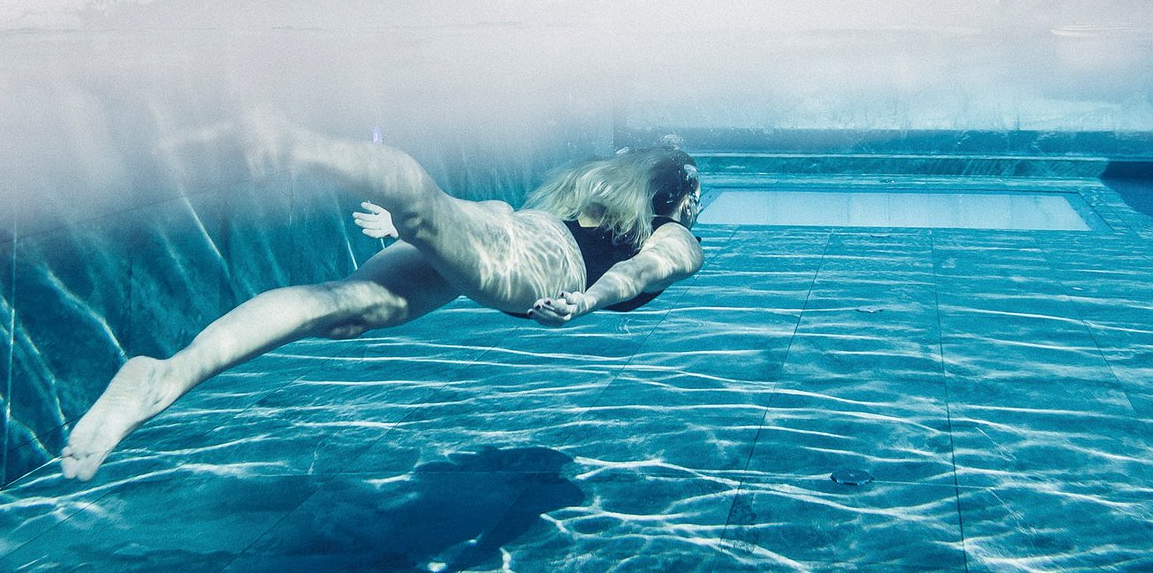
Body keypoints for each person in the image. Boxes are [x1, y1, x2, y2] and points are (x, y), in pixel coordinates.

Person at [59, 120, 703, 482]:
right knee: (421, 210)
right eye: (692, 196)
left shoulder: (581, 200)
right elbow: (644, 274)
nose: (696, 209)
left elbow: (505, 220)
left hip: (515, 232)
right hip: (541, 263)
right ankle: (294, 144)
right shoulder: (676, 234)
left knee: (344, 309)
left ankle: (170, 373)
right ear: (671, 196)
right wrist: (589, 301)